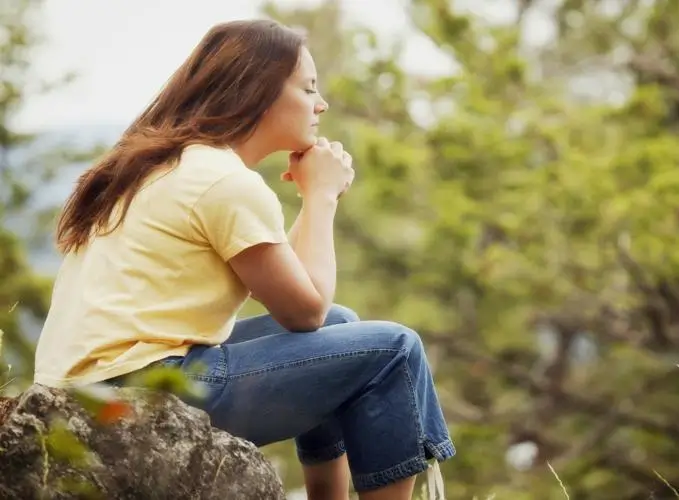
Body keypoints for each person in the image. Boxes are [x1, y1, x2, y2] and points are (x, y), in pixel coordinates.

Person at [33, 19, 454, 500]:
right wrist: (321, 198)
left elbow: (301, 299)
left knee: (342, 328)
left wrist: (319, 197)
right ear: (260, 91)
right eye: (309, 88)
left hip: (84, 388)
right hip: (136, 389)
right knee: (395, 350)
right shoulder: (222, 180)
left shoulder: (174, 164)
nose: (322, 105)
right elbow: (304, 311)